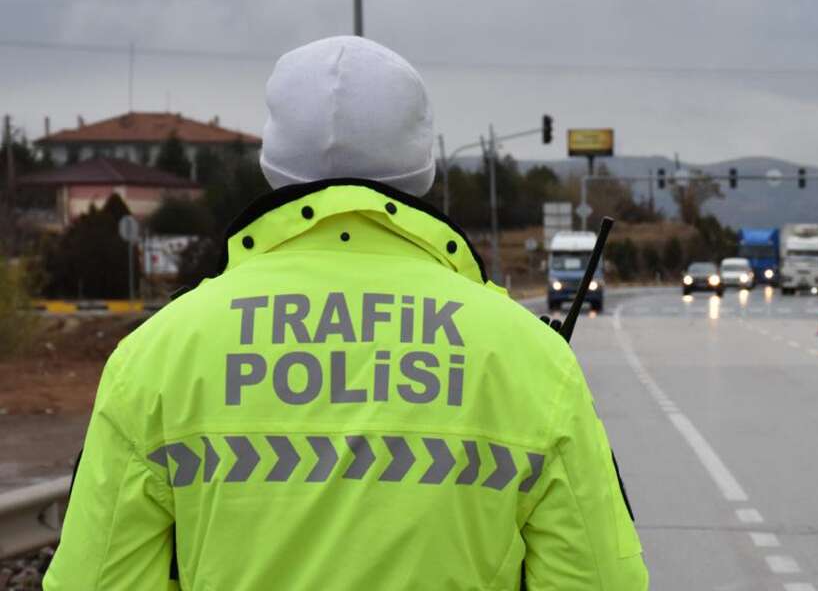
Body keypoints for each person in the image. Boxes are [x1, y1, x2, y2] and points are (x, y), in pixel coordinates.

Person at [44, 36, 648, 590]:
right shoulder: (531, 359)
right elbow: (602, 581)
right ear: (424, 163)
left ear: (273, 163)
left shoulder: (156, 356)